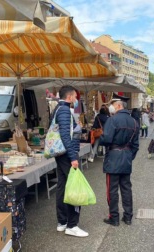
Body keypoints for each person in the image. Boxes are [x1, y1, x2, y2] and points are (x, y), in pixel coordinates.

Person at [54, 86, 88, 237]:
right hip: (67, 155)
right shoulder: (64, 110)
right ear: (69, 97)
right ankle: (72, 225)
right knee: (75, 187)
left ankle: (62, 222)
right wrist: (73, 157)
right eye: (75, 96)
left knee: (62, 186)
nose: (76, 99)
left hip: (61, 154)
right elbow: (65, 136)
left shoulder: (58, 109)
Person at [100, 99, 139, 226]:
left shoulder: (112, 120)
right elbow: (135, 145)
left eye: (113, 106)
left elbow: (106, 139)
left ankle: (114, 217)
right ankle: (128, 217)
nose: (111, 108)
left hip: (113, 157)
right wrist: (128, 156)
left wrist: (99, 138)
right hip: (126, 157)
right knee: (126, 188)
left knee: (112, 190)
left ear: (118, 106)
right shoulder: (134, 122)